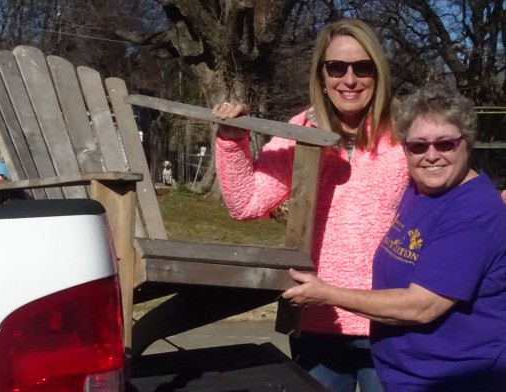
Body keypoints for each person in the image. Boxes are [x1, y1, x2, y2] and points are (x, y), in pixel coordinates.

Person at [212, 18, 410, 392]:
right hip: (316, 320)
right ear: (321, 74)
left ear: (378, 73)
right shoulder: (300, 129)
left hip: (389, 321)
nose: (349, 80)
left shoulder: (405, 131)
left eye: (362, 68)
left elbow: (448, 195)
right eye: (337, 67)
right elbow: (246, 203)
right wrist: (231, 139)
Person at [282, 83, 506, 392]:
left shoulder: (472, 212)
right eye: (418, 146)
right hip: (402, 372)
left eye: (445, 144)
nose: (431, 156)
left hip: (451, 379)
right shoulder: (419, 191)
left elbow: (422, 306)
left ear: (467, 143)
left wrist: (328, 294)